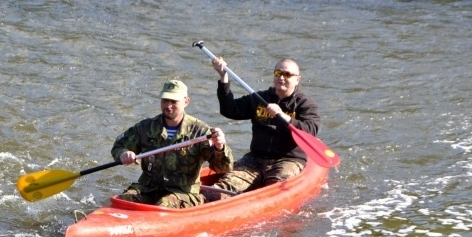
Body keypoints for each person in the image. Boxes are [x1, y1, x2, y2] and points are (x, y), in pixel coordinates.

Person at [111, 79, 234, 208]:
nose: (168, 105)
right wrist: (124, 153)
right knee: (123, 201)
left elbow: (223, 168)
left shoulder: (200, 131)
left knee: (164, 204)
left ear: (186, 102)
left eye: (174, 101)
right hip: (147, 188)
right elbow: (119, 146)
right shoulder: (145, 127)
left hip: (183, 193)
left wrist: (219, 147)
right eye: (165, 100)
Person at [209, 56, 321, 195]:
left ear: (297, 79)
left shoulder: (305, 104)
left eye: (287, 74)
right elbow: (229, 109)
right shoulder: (260, 98)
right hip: (255, 158)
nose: (281, 77)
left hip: (287, 160)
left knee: (275, 191)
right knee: (223, 188)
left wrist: (284, 117)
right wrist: (223, 77)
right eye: (278, 73)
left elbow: (310, 130)